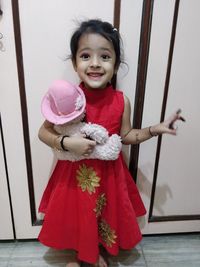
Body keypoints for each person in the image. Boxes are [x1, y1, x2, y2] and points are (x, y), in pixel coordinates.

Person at [38, 19, 185, 267]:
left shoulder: (121, 100)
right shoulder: (69, 98)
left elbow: (127, 135)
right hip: (75, 174)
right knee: (78, 213)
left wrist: (154, 129)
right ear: (75, 63)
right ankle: (82, 253)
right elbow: (44, 132)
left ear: (115, 65)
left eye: (105, 57)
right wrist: (65, 143)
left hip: (109, 175)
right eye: (86, 56)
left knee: (102, 213)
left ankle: (96, 251)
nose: (95, 63)